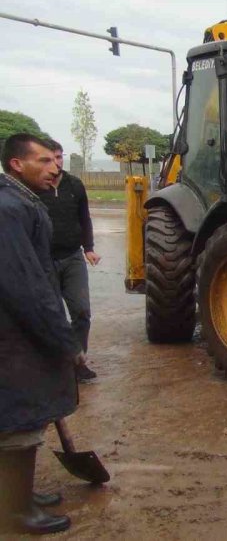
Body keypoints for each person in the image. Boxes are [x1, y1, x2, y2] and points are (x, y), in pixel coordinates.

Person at [0, 133, 80, 534]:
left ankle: (20, 495)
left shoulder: (21, 201)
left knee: (24, 417)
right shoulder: (8, 209)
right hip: (13, 336)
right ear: (17, 164)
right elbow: (25, 285)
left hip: (20, 331)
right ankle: (15, 511)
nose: (55, 168)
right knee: (18, 421)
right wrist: (61, 338)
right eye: (45, 161)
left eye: (55, 160)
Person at [39, 140, 99, 383]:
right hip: (44, 260)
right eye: (50, 158)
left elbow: (84, 217)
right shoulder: (34, 188)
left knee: (81, 311)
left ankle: (78, 362)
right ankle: (55, 365)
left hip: (72, 257)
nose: (56, 163)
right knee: (51, 315)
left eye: (59, 157)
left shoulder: (74, 185)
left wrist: (89, 248)